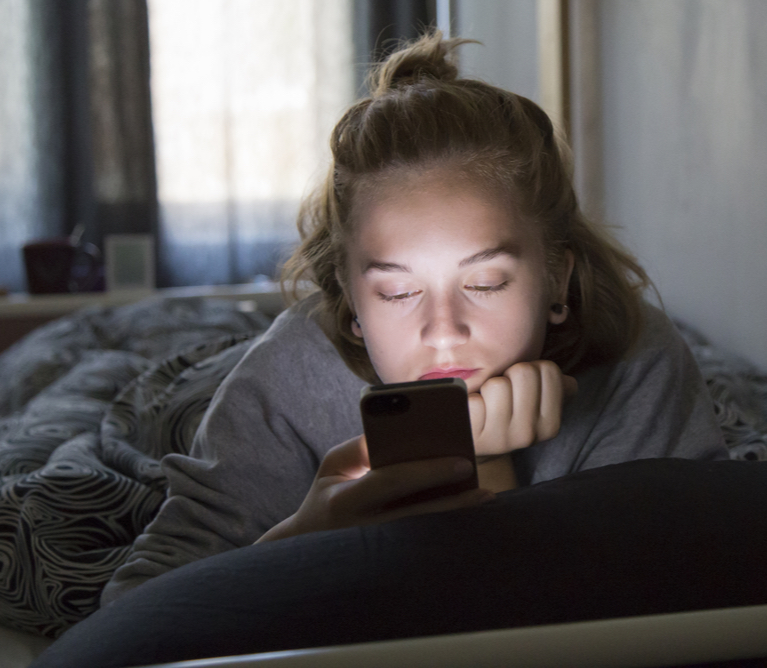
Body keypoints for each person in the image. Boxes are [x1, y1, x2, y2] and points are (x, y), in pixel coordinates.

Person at [101, 32, 727, 606]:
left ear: (558, 278)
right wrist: (307, 539)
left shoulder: (636, 360)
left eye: (485, 282)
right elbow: (132, 620)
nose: (444, 329)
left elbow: (680, 603)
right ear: (348, 304)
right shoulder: (284, 381)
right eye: (398, 293)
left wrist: (485, 470)